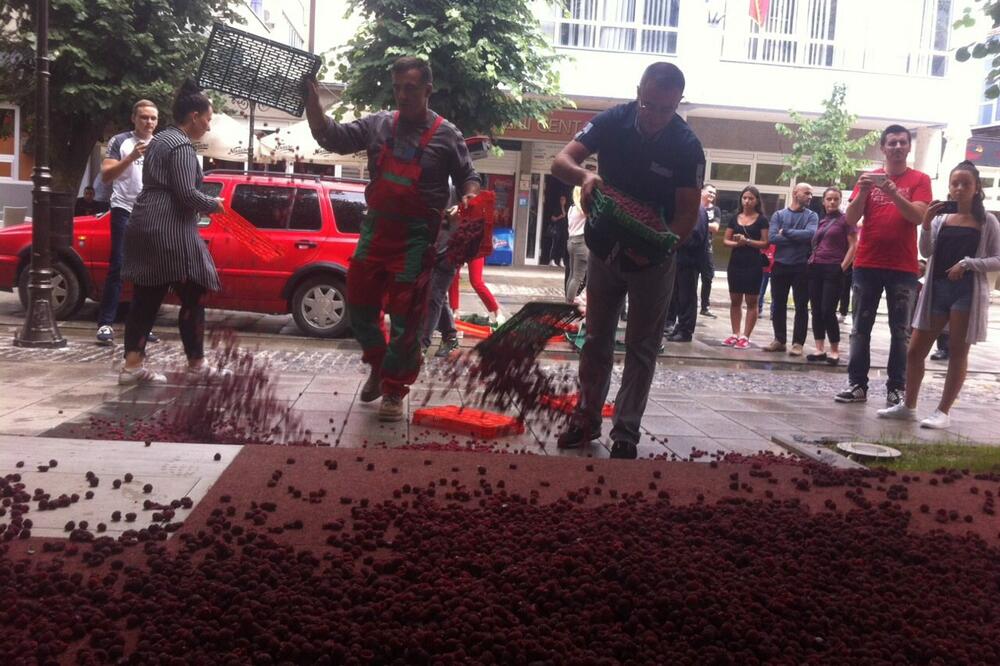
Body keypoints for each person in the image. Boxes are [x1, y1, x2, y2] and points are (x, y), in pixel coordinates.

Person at [305, 56, 480, 422]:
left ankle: (394, 389)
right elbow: (330, 136)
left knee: (406, 321)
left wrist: (469, 196)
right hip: (376, 231)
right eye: (398, 88)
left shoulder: (447, 134)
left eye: (411, 89)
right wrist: (312, 101)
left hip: (417, 240)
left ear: (428, 91)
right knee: (359, 305)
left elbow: (468, 175)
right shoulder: (379, 124)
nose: (402, 95)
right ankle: (379, 364)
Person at [551, 62, 704, 459]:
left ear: (678, 104)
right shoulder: (612, 120)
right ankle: (585, 420)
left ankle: (626, 431)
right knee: (597, 340)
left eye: (665, 109)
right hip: (603, 247)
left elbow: (687, 213)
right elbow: (560, 161)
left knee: (642, 347)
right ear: (638, 91)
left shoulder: (686, 146)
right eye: (647, 104)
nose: (653, 116)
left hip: (654, 258)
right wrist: (584, 177)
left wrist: (660, 244)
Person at [118, 80, 226, 385]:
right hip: (169, 229)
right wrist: (214, 204)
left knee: (146, 297)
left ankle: (132, 366)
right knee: (194, 292)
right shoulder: (180, 145)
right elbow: (185, 194)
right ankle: (197, 363)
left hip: (146, 221)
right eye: (208, 117)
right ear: (193, 116)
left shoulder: (161, 139)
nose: (208, 124)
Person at [877, 161, 1000, 428]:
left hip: (966, 293)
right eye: (955, 183)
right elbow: (927, 251)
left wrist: (968, 263)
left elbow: (997, 259)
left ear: (977, 187)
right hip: (937, 290)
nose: (959, 188)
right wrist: (927, 224)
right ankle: (908, 406)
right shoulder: (942, 217)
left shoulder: (987, 220)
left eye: (965, 183)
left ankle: (942, 411)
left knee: (957, 352)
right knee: (914, 351)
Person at [835, 125, 931, 406]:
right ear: (883, 147)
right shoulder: (868, 178)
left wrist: (894, 192)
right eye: (892, 143)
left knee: (900, 330)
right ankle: (857, 385)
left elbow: (918, 217)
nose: (898, 147)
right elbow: (850, 219)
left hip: (903, 266)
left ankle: (896, 387)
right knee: (859, 327)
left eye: (903, 142)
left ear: (909, 147)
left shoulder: (919, 179)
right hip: (867, 262)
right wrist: (864, 192)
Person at [97, 99, 159, 346]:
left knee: (148, 272)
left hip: (150, 212)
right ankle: (105, 324)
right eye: (144, 117)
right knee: (119, 266)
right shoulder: (120, 141)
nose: (149, 122)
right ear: (134, 118)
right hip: (124, 208)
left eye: (153, 118)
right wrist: (131, 157)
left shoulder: (161, 144)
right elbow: (106, 175)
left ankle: (143, 326)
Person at [763, 183, 817, 355]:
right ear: (795, 193)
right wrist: (796, 236)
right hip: (780, 265)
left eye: (811, 194)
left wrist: (785, 232)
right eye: (806, 193)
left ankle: (798, 343)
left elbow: (810, 235)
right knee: (778, 304)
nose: (810, 196)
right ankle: (779, 340)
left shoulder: (812, 216)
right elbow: (772, 238)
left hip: (801, 266)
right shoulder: (779, 215)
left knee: (801, 305)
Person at [806, 187, 856, 365]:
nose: (832, 202)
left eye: (836, 199)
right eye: (829, 199)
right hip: (816, 267)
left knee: (828, 310)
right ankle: (819, 348)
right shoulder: (822, 221)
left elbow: (853, 246)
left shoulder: (845, 220)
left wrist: (842, 267)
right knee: (817, 310)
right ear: (824, 201)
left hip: (833, 268)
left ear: (840, 200)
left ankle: (834, 350)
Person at [722, 186, 770, 350]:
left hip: (753, 263)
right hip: (736, 262)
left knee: (751, 301)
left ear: (757, 201)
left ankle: (745, 336)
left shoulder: (762, 219)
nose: (747, 201)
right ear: (741, 199)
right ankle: (735, 333)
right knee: (735, 300)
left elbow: (765, 243)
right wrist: (737, 243)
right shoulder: (735, 218)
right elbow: (725, 240)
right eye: (745, 198)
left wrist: (747, 241)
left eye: (751, 198)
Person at [666, 193, 709, 342]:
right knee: (678, 296)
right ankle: (680, 326)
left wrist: (676, 238)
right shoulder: (690, 209)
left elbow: (696, 236)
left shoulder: (698, 211)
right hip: (680, 260)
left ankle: (686, 330)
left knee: (687, 297)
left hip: (689, 261)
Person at [699, 184, 720, 318]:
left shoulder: (715, 210)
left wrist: (699, 223)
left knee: (708, 277)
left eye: (714, 193)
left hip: (707, 247)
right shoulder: (695, 206)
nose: (712, 195)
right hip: (693, 247)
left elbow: (715, 227)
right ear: (702, 192)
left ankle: (705, 306)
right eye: (710, 192)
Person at [564, 185, 588, 303]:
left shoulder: (571, 208)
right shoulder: (583, 209)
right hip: (581, 243)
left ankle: (568, 300)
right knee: (578, 277)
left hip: (571, 241)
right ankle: (570, 303)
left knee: (572, 274)